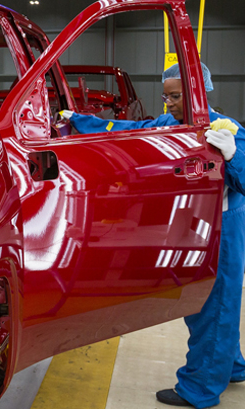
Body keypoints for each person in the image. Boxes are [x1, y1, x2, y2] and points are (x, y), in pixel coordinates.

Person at [62, 63, 245, 408]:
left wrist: (233, 155)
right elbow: (127, 130)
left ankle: (201, 389)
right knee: (209, 303)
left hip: (221, 229)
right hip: (192, 224)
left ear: (199, 93)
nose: (169, 103)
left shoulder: (226, 130)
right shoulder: (167, 125)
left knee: (213, 304)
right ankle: (231, 366)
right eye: (167, 96)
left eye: (176, 96)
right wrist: (78, 121)